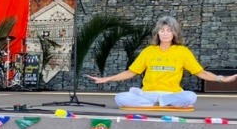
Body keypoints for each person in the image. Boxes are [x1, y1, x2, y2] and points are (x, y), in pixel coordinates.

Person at [87, 15, 237, 107]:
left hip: (171, 94)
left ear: (174, 33)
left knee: (191, 97)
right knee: (120, 98)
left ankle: (157, 103)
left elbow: (201, 73)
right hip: (149, 94)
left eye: (169, 31)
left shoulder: (182, 52)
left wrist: (222, 79)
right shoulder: (149, 51)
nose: (165, 34)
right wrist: (106, 79)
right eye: (162, 31)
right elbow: (131, 72)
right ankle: (154, 103)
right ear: (157, 33)